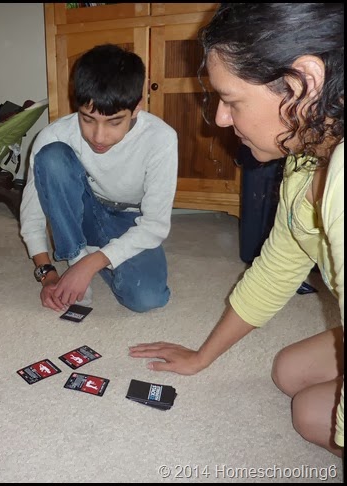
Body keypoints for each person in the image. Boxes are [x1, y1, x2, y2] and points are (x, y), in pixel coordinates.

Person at [129, 3, 343, 457]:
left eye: (232, 100)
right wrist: (202, 357)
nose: (222, 119)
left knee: (311, 414)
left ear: (304, 84)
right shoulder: (307, 158)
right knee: (289, 371)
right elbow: (276, 270)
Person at [19, 44, 178, 313]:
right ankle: (76, 253)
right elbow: (33, 213)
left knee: (147, 298)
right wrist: (48, 274)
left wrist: (91, 264)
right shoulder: (54, 136)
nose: (99, 137)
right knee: (53, 157)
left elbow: (155, 226)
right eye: (88, 119)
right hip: (82, 211)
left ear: (137, 107)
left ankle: (91, 254)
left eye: (114, 122)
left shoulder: (161, 139)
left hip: (131, 219)